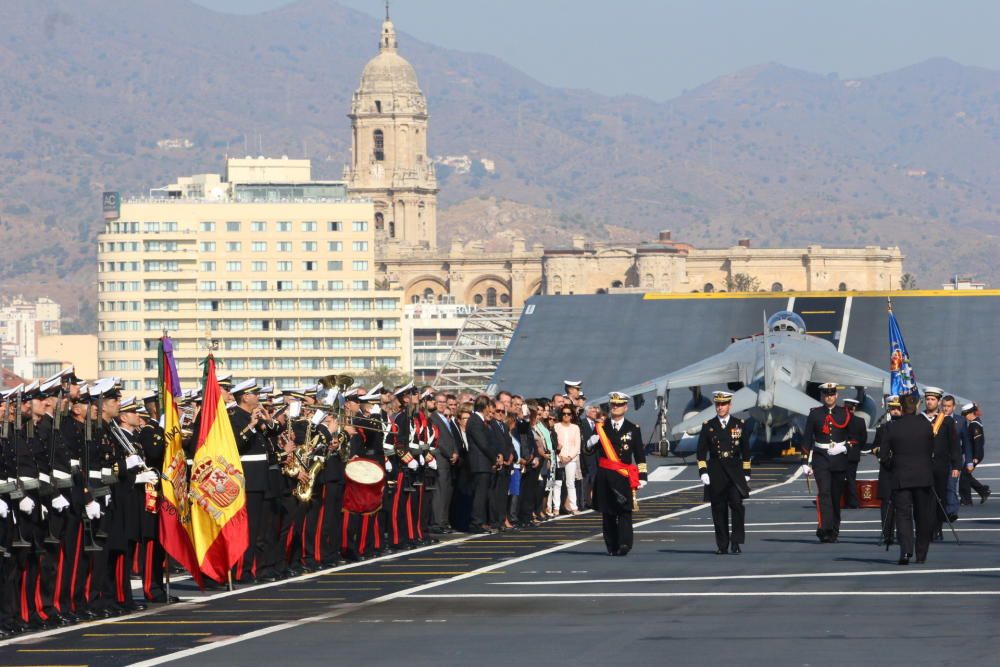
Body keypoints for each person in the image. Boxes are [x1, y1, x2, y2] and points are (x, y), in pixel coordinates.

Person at [586, 392, 647, 556]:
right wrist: (591, 443)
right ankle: (611, 546)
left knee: (625, 511)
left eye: (619, 405)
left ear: (625, 407)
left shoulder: (633, 429)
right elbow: (588, 450)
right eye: (613, 404)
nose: (615, 407)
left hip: (623, 475)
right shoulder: (601, 427)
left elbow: (640, 455)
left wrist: (642, 476)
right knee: (608, 512)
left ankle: (625, 543)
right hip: (605, 475)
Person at [879, 394, 935, 565]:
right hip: (923, 476)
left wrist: (892, 465)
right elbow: (931, 450)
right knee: (922, 515)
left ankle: (905, 551)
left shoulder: (892, 427)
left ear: (901, 408)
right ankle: (921, 553)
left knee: (903, 515)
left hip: (901, 476)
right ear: (917, 406)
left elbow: (883, 455)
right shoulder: (926, 425)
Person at [697, 391, 751, 554]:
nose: (720, 407)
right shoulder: (708, 426)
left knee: (736, 505)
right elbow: (701, 452)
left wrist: (747, 471)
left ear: (729, 405)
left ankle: (736, 541)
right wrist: (703, 472)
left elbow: (746, 450)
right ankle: (722, 545)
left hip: (735, 472)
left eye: (723, 404)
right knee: (718, 509)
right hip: (716, 471)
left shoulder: (739, 424)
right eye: (718, 404)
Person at [801, 383, 854, 543]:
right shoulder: (815, 414)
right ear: (822, 396)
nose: (829, 397)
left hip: (838, 459)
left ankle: (835, 528)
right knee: (824, 492)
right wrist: (805, 461)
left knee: (836, 496)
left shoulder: (844, 413)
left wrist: (844, 447)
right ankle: (825, 529)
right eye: (826, 394)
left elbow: (854, 438)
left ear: (836, 396)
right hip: (821, 458)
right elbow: (807, 438)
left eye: (832, 394)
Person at [922, 387, 961, 540]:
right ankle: (926, 527)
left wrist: (957, 465)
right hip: (923, 465)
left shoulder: (947, 421)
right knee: (925, 498)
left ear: (938, 402)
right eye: (928, 399)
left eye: (933, 399)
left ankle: (937, 527)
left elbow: (954, 445)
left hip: (940, 466)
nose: (929, 402)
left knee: (940, 497)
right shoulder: (920, 419)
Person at [869, 395, 902, 546]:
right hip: (887, 470)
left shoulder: (908, 427)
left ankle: (902, 533)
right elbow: (874, 447)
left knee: (903, 503)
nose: (894, 411)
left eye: (897, 408)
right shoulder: (882, 428)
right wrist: (881, 451)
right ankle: (887, 533)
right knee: (886, 503)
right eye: (892, 408)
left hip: (903, 470)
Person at [465, 395, 496, 533]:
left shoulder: (479, 420)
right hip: (479, 463)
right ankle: (476, 522)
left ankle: (480, 520)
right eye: (489, 406)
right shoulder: (475, 421)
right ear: (485, 407)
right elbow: (482, 443)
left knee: (483, 494)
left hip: (484, 463)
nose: (491, 410)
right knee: (479, 494)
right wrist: (494, 457)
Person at [959, 403, 990, 505]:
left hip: (975, 455)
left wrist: (976, 458)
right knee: (966, 475)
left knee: (964, 476)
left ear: (970, 413)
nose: (964, 416)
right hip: (973, 454)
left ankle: (966, 500)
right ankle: (983, 491)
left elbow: (978, 443)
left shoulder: (974, 425)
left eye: (965, 414)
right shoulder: (975, 422)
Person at [553, 405, 581, 514]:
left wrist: (569, 458)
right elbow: (554, 443)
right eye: (564, 413)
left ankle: (574, 507)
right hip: (558, 458)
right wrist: (560, 456)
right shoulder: (556, 426)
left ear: (572, 415)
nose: (566, 415)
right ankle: (556, 507)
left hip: (571, 459)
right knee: (557, 483)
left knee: (570, 483)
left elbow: (577, 446)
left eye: (568, 414)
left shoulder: (575, 428)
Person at [841, 397, 867, 509]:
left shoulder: (840, 420)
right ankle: (853, 501)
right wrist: (856, 448)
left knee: (840, 478)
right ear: (854, 408)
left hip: (841, 452)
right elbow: (864, 439)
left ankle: (841, 501)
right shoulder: (860, 421)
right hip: (854, 453)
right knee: (851, 478)